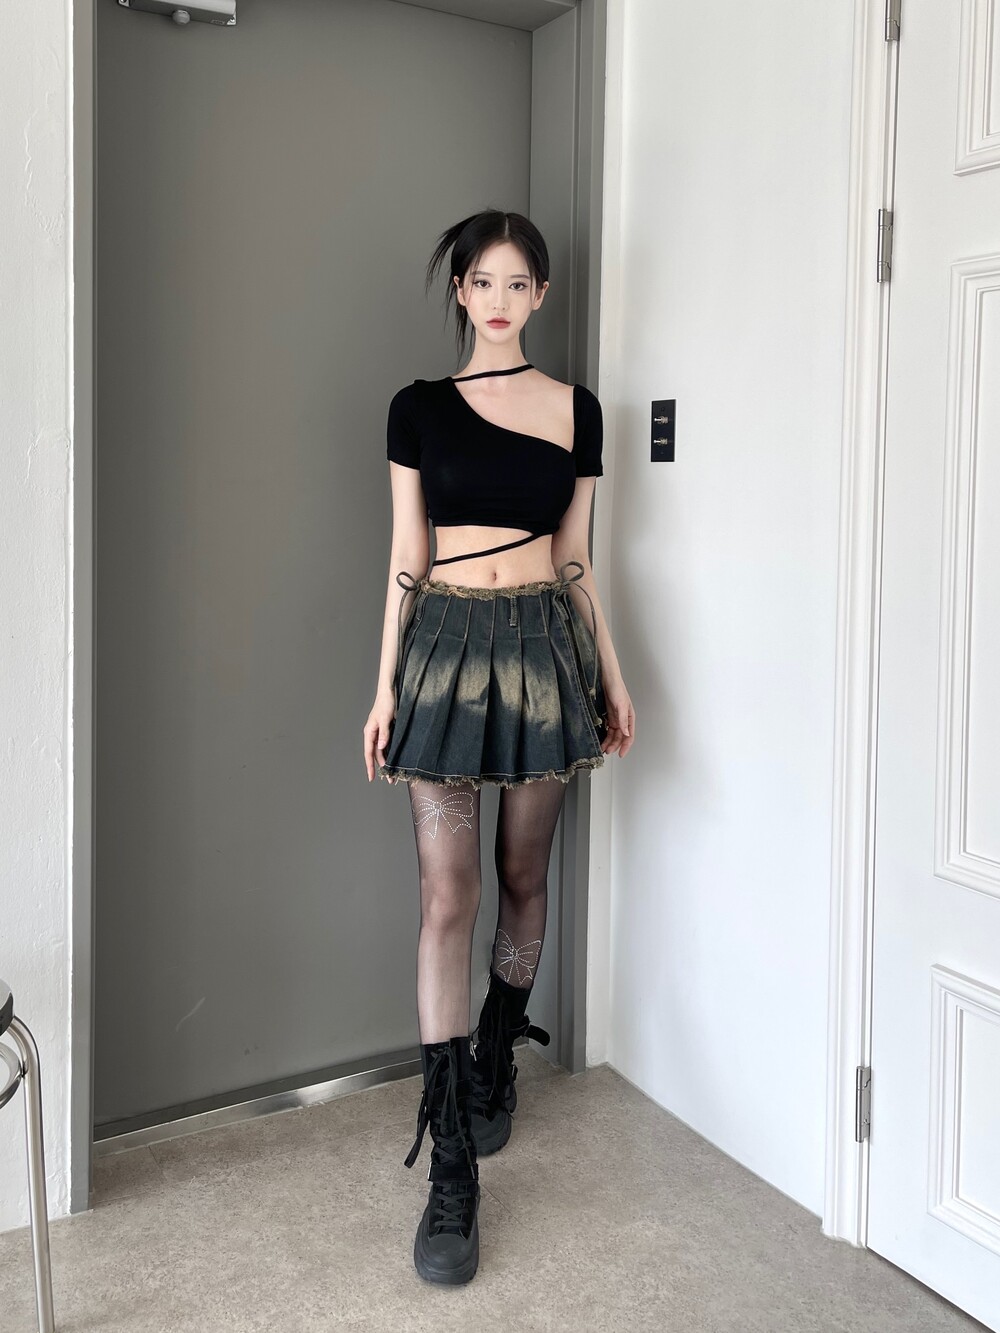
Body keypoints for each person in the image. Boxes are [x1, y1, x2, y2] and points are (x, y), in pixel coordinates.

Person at [362, 209, 635, 1286]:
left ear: (541, 295)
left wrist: (613, 674)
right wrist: (381, 684)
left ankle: (495, 1052)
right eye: (483, 282)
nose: (500, 301)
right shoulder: (417, 408)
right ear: (461, 291)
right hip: (439, 651)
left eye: (519, 284)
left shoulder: (576, 410)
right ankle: (451, 1164)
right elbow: (407, 550)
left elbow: (575, 558)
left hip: (538, 651)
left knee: (524, 877)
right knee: (448, 895)